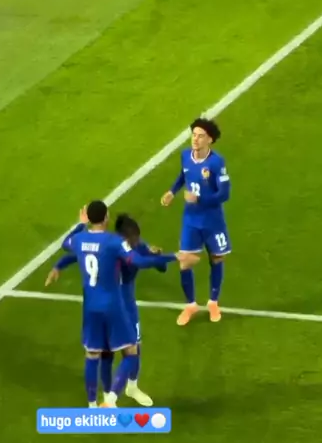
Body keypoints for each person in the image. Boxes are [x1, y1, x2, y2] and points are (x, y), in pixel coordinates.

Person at [47, 200, 188, 407]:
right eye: (133, 237)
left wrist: (156, 255)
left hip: (125, 306)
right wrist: (59, 265)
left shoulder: (135, 245)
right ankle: (108, 396)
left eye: (137, 237)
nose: (135, 240)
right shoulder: (115, 246)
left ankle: (131, 387)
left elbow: (159, 267)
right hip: (114, 305)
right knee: (108, 354)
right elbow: (75, 257)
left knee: (134, 346)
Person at [161, 117, 231, 325]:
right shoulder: (185, 155)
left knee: (216, 258)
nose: (196, 139)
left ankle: (213, 302)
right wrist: (172, 191)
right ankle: (190, 305)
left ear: (210, 140)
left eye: (201, 136)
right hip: (191, 220)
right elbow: (183, 175)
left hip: (213, 220)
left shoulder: (217, 162)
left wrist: (199, 199)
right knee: (185, 261)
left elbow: (224, 194)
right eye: (194, 135)